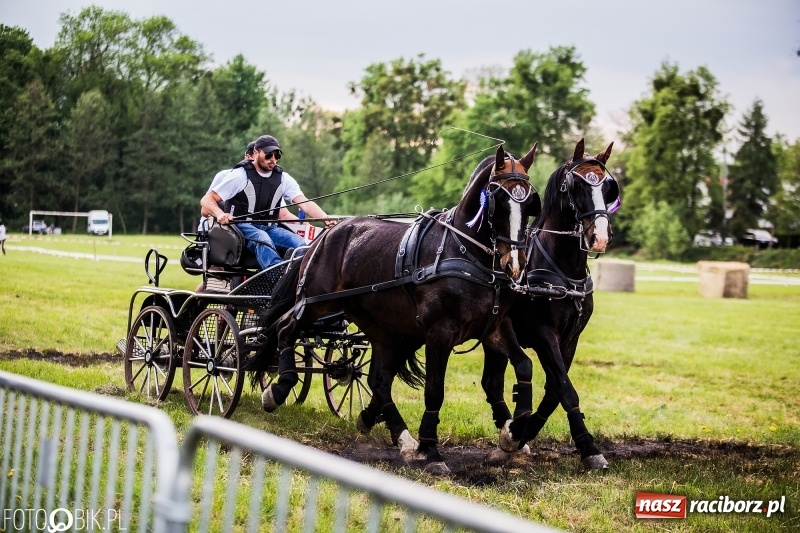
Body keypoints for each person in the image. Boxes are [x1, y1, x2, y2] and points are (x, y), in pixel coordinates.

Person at [200, 134, 335, 270]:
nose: (273, 159)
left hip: (271, 228)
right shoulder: (240, 175)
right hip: (241, 228)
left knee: (300, 243)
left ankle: (299, 279)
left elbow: (304, 203)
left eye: (277, 156)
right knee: (262, 239)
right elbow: (207, 199)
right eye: (269, 155)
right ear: (256, 153)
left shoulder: (283, 178)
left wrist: (324, 217)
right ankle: (279, 277)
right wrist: (219, 214)